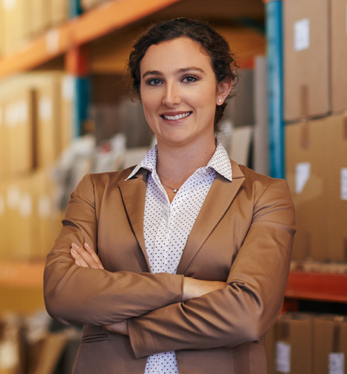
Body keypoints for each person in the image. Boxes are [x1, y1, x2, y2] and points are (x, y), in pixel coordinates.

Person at [43, 18, 295, 374]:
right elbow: (62, 292)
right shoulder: (97, 193)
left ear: (222, 88)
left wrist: (126, 324)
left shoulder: (264, 197)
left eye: (189, 78)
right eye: (154, 81)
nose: (170, 98)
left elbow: (247, 315)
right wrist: (185, 288)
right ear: (140, 92)